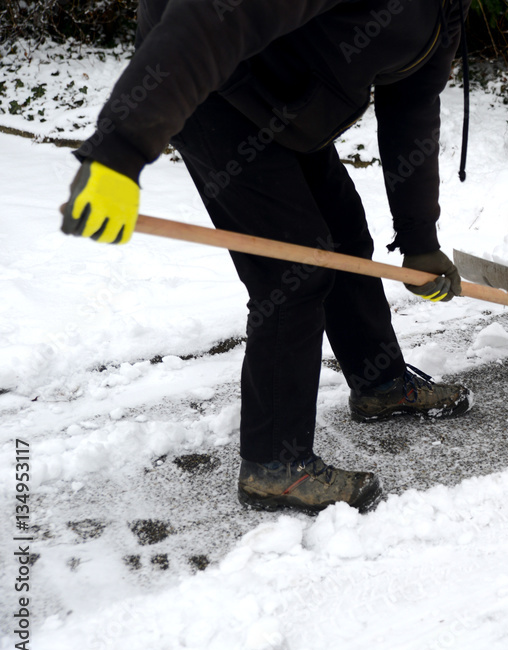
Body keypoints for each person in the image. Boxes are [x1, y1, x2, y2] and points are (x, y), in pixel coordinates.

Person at [60, 0, 475, 515]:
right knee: (294, 273)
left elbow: (410, 108)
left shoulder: (445, 10)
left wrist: (419, 241)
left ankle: (380, 383)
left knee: (345, 241)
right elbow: (211, 20)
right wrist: (119, 151)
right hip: (216, 89)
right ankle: (274, 465)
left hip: (291, 100)